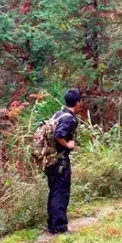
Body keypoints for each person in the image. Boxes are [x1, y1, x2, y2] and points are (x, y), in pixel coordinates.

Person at [45, 88, 83, 234]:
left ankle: (52, 224)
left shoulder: (58, 114)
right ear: (78, 102)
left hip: (50, 160)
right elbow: (59, 134)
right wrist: (68, 144)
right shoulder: (69, 118)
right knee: (61, 193)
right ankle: (59, 227)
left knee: (54, 192)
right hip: (60, 162)